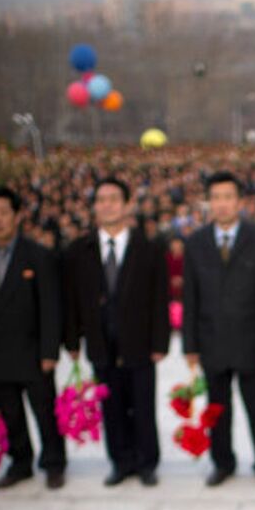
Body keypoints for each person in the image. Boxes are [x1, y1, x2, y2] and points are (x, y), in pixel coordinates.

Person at [63, 177, 169, 487]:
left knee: (143, 405)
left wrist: (160, 342)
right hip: (100, 341)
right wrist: (71, 341)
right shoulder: (78, 251)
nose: (107, 205)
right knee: (111, 405)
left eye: (113, 199)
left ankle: (147, 462)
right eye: (101, 199)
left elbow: (159, 298)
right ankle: (120, 461)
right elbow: (71, 301)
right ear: (94, 207)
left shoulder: (148, 248)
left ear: (126, 205)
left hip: (139, 341)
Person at [182, 171, 255, 487]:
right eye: (216, 198)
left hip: (251, 342)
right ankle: (222, 462)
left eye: (228, 197)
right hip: (212, 341)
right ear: (208, 202)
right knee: (217, 409)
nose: (222, 204)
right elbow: (190, 297)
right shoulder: (196, 242)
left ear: (240, 202)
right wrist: (190, 345)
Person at [0, 185, 65, 490]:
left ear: (17, 215)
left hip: (33, 351)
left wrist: (50, 351)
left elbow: (51, 306)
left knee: (44, 412)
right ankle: (20, 462)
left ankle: (53, 462)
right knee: (11, 414)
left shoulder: (37, 255)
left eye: (3, 213)